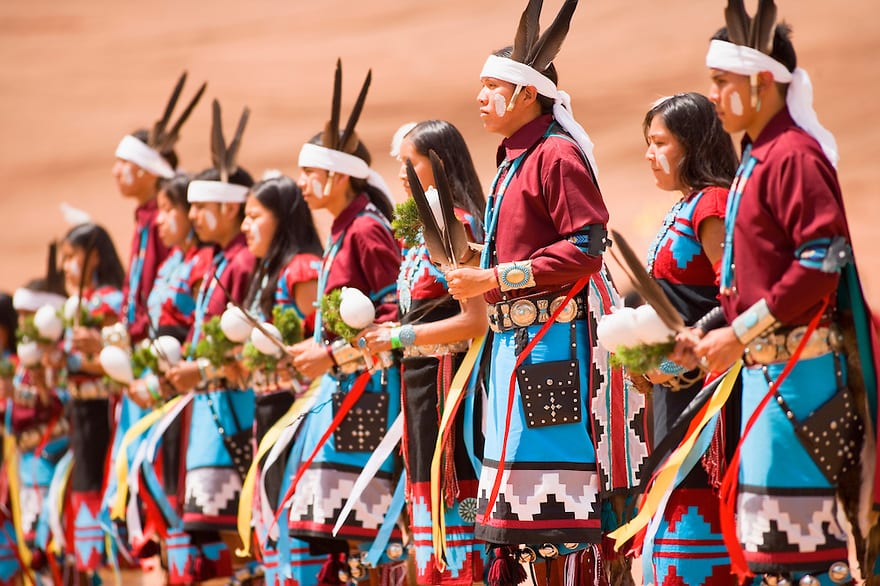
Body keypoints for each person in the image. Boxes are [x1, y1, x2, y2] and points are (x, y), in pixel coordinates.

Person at [446, 1, 647, 583]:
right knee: (514, 516)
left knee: (551, 516)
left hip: (551, 347)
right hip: (516, 347)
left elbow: (587, 247)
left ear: (528, 94)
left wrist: (496, 279)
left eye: (494, 87)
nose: (481, 97)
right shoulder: (513, 157)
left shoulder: (555, 153)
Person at [682, 1, 879, 582]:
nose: (713, 95)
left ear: (762, 82)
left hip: (806, 384)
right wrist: (713, 330)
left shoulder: (793, 156)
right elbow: (755, 279)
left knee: (808, 559)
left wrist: (738, 332)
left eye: (721, 81)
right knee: (774, 554)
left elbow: (822, 262)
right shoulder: (757, 159)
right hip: (773, 379)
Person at [285, 60, 403, 582]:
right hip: (345, 398)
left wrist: (331, 355)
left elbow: (396, 316)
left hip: (371, 404)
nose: (302, 185)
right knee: (340, 544)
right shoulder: (343, 231)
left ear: (336, 176)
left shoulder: (366, 231)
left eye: (309, 174)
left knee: (369, 541)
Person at [362, 120, 488, 585]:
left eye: (409, 162)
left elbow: (476, 321)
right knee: (427, 513)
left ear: (436, 163)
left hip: (454, 388)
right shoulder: (418, 232)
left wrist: (399, 338)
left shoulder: (459, 226)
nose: (400, 173)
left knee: (456, 511)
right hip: (420, 392)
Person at [634, 93, 739, 586]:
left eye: (660, 143)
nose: (649, 155)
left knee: (695, 531)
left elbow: (734, 294)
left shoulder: (713, 203)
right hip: (673, 390)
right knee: (670, 518)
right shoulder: (685, 205)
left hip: (709, 394)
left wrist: (685, 349)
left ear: (692, 146)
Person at [163, 100, 257, 581]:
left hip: (234, 402)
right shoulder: (221, 258)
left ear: (229, 205)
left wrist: (200, 371)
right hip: (212, 402)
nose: (193, 215)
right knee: (219, 521)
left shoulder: (241, 261)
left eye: (201, 206)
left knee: (242, 524)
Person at [238, 174, 326, 585]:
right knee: (271, 516)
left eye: (254, 215)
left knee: (294, 516)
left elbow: (321, 338)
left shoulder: (302, 267)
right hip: (271, 411)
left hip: (300, 412)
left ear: (283, 218)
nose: (245, 225)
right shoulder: (266, 270)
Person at [56, 222, 127, 579]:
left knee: (106, 500)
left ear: (95, 256)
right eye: (64, 258)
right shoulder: (76, 305)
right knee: (82, 504)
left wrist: (92, 357)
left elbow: (121, 356)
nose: (65, 266)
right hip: (81, 419)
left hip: (105, 415)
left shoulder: (111, 300)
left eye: (73, 257)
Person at [113, 72, 205, 343]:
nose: (115, 172)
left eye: (124, 163)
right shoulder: (145, 219)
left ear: (147, 171)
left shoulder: (164, 222)